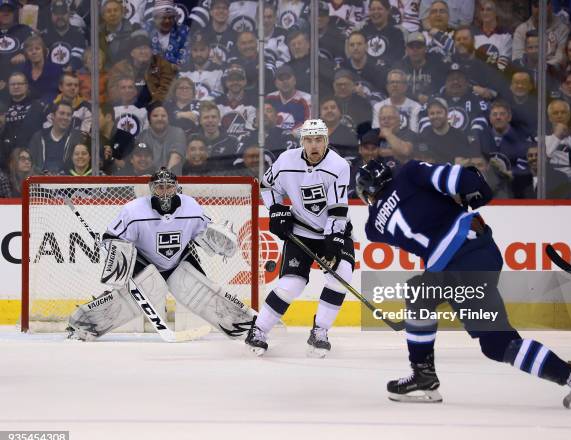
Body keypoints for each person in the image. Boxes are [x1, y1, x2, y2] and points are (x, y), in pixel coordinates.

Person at [355, 159, 571, 408]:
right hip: (475, 252)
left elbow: (401, 214)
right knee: (422, 296)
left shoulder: (373, 227)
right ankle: (423, 377)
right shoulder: (410, 172)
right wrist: (471, 188)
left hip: (459, 267)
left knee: (497, 344)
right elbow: (465, 180)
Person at [66, 168, 256, 341]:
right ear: (151, 189)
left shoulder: (191, 207)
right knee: (128, 297)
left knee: (204, 290)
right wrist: (116, 252)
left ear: (177, 188)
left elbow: (204, 233)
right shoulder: (134, 210)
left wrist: (219, 239)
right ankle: (85, 322)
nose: (164, 192)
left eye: (168, 187)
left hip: (179, 259)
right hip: (144, 260)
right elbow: (111, 237)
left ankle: (245, 323)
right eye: (160, 187)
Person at [246, 119, 355, 357]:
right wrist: (276, 210)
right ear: (301, 141)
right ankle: (259, 330)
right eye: (309, 140)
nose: (314, 145)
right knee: (291, 285)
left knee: (341, 276)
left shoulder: (338, 166)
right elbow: (266, 186)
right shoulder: (286, 161)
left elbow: (338, 209)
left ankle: (320, 331)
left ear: (326, 141)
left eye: (319, 140)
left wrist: (334, 241)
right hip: (301, 231)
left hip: (332, 230)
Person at [28, 101, 83, 174]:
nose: (65, 117)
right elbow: (31, 163)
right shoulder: (38, 137)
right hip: (41, 180)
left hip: (68, 181)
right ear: (53, 116)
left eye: (68, 115)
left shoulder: (78, 137)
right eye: (62, 113)